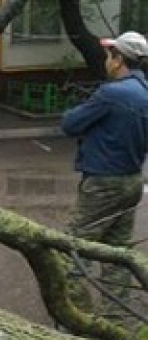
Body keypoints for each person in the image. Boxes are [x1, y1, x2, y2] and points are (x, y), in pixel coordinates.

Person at [60, 31, 148, 318]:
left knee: (69, 250)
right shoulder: (144, 92)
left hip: (103, 183)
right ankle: (115, 318)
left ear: (119, 58)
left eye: (110, 55)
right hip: (132, 179)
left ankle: (78, 317)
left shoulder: (112, 93)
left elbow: (70, 124)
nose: (106, 60)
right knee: (117, 253)